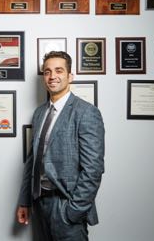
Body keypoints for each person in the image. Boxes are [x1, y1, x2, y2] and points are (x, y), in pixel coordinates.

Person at [16, 51, 105, 241]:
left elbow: (93, 169)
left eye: (58, 70)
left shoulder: (86, 112)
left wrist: (73, 212)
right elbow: (32, 161)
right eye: (47, 72)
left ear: (70, 76)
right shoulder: (40, 113)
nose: (52, 76)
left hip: (65, 206)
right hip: (40, 204)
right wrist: (25, 201)